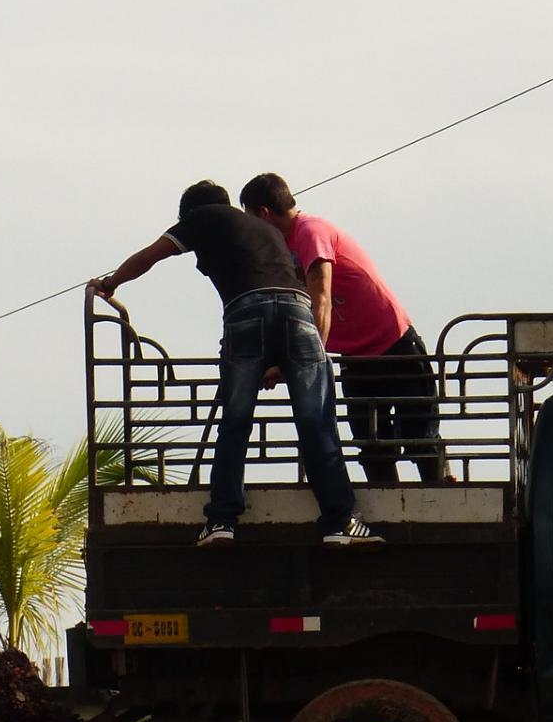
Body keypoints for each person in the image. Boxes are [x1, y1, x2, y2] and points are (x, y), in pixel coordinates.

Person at [90, 181, 380, 547]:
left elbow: (150, 256)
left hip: (247, 314)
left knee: (236, 420)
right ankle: (341, 522)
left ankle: (222, 520)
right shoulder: (266, 228)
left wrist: (110, 283)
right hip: (297, 314)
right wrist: (278, 362)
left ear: (190, 214)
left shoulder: (201, 218)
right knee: (316, 420)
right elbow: (283, 288)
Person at [239, 173, 451, 485]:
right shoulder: (282, 247)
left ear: (263, 213)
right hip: (356, 355)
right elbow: (286, 311)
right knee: (371, 443)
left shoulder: (311, 232)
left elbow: (319, 300)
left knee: (420, 435)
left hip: (393, 343)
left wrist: (307, 360)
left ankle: (439, 499)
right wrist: (277, 361)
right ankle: (388, 508)